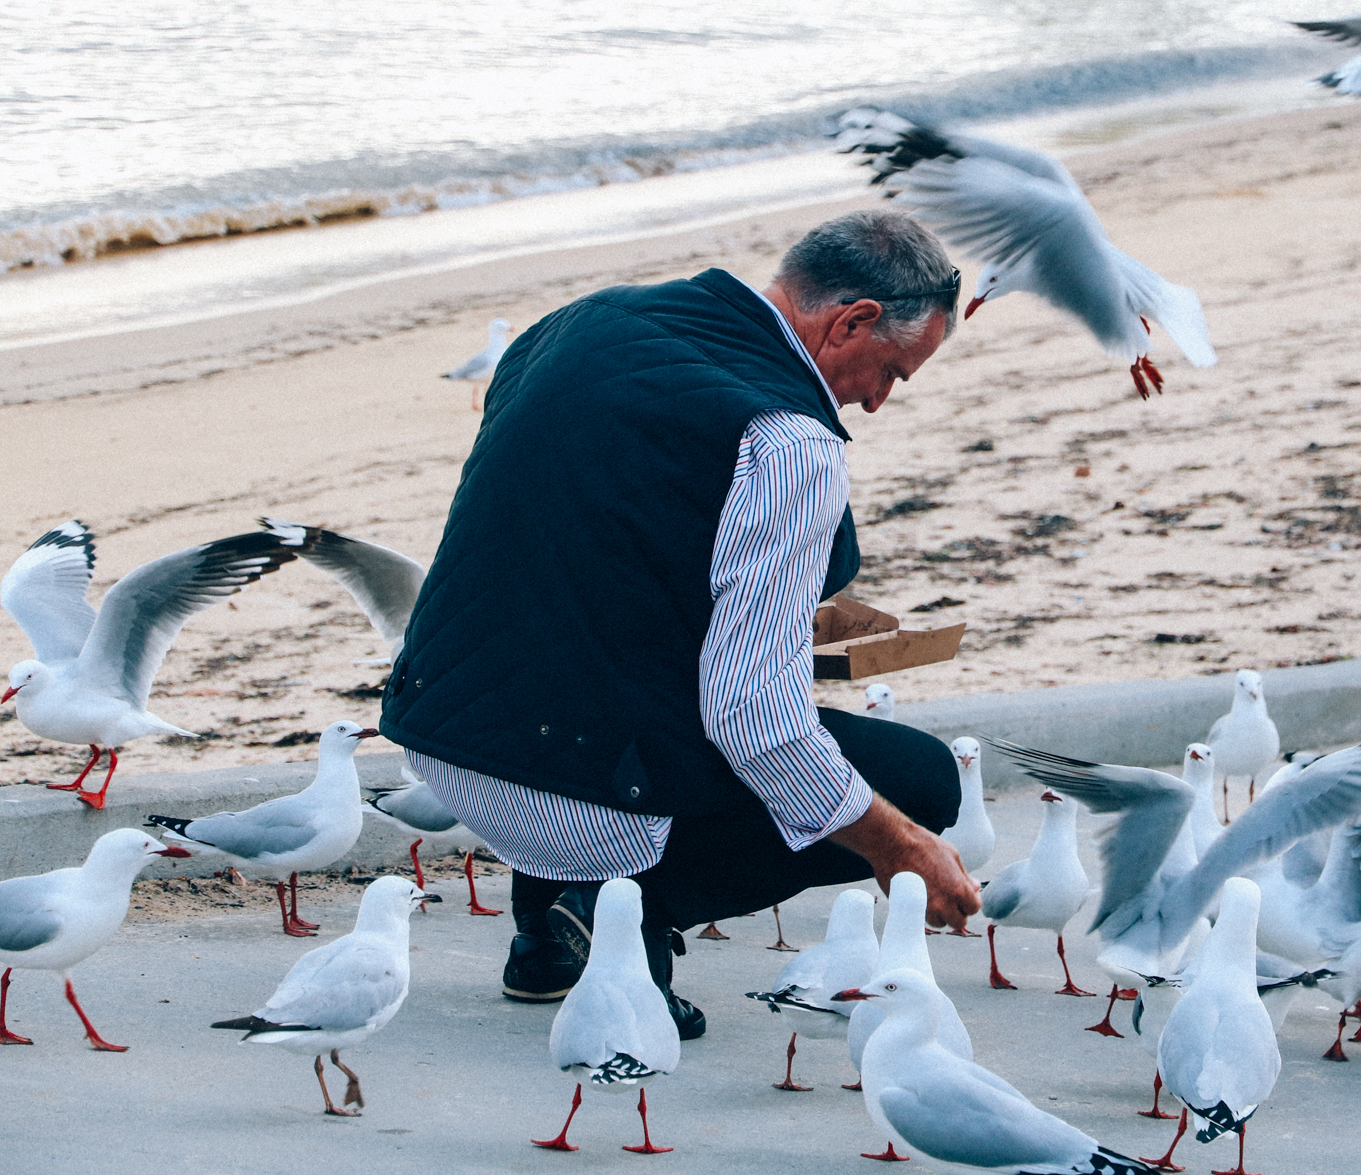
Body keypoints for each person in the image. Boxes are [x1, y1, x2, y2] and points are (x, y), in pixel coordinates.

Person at [380, 209, 983, 1037]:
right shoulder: (788, 441)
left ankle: (543, 936)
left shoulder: (576, 322)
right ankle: (621, 905)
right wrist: (899, 846)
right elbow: (756, 723)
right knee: (921, 779)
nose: (877, 402)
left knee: (592, 676)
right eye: (891, 372)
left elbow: (584, 527)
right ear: (854, 321)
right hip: (573, 782)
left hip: (442, 736)